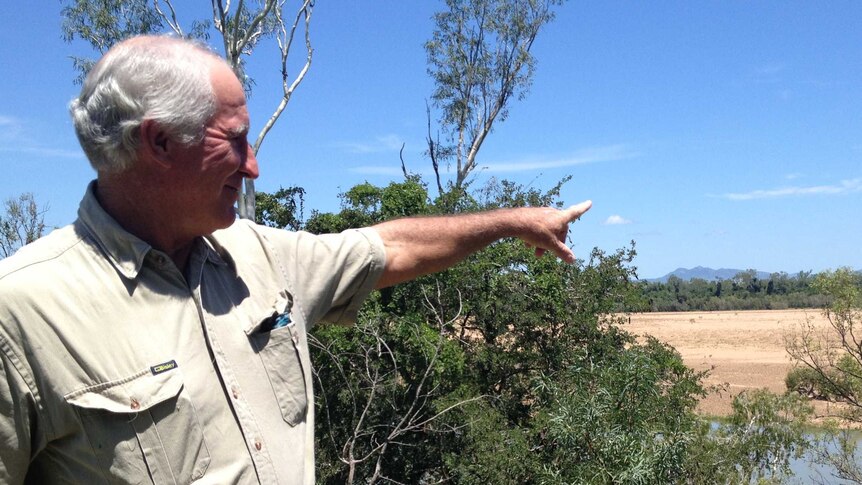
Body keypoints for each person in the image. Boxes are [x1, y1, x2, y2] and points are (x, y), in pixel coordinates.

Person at [0, 36, 591, 484]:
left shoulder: (259, 255)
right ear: (159, 143)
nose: (252, 165)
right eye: (234, 139)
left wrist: (511, 223)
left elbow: (392, 248)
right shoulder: (22, 311)